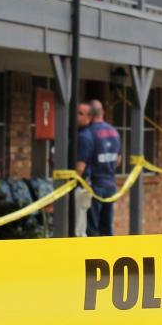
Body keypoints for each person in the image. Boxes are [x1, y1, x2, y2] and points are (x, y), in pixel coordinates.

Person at [76, 99, 121, 237]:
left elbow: (81, 166)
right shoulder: (114, 132)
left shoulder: (87, 133)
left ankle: (93, 256)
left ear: (90, 114)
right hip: (110, 184)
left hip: (93, 186)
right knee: (106, 227)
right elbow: (118, 160)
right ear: (103, 112)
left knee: (91, 229)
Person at [72, 102, 94, 237]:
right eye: (76, 112)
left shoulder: (84, 137)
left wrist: (70, 185)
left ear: (89, 118)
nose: (76, 116)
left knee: (78, 229)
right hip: (80, 186)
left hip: (79, 187)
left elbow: (80, 167)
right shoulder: (78, 134)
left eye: (81, 114)